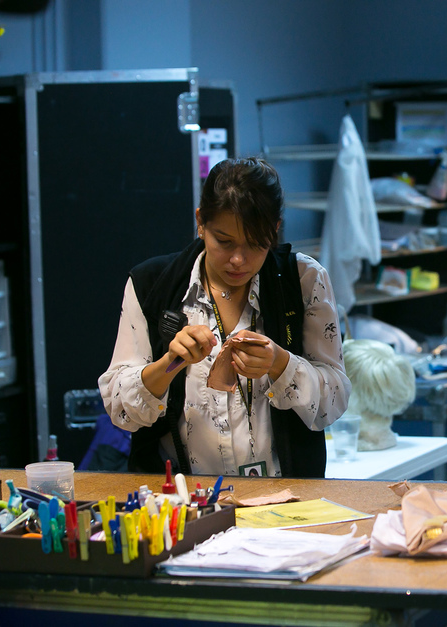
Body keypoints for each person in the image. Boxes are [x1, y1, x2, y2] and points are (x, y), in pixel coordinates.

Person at [99, 157, 350, 478]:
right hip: (183, 496)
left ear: (275, 229)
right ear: (200, 222)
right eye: (224, 241)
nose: (238, 260)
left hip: (284, 495)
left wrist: (281, 364)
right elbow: (121, 411)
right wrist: (170, 364)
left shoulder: (303, 280)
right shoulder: (151, 284)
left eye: (256, 244)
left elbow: (334, 402)